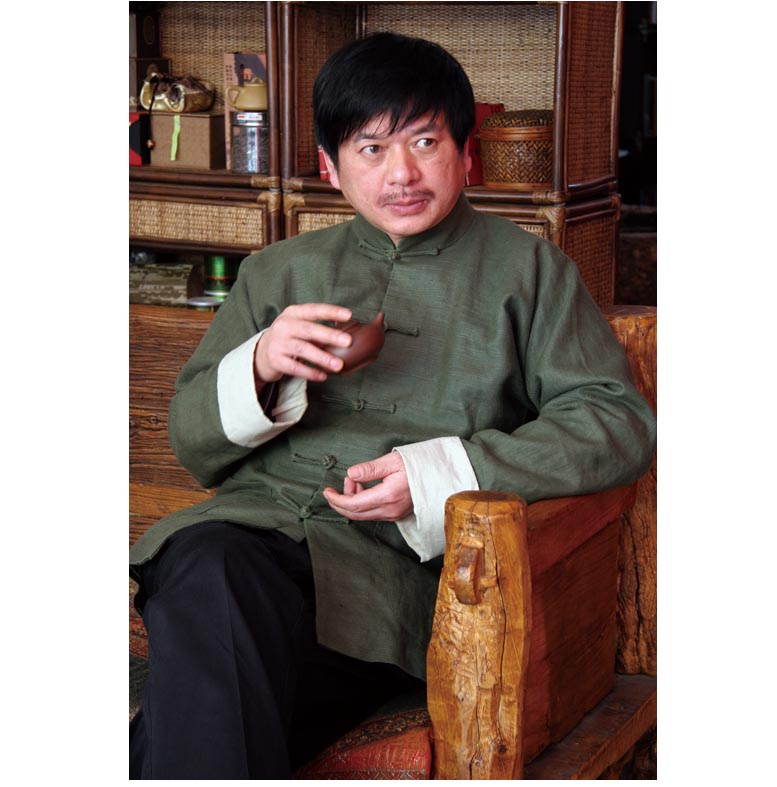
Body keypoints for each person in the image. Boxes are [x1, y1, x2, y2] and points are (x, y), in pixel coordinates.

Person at [129, 32, 656, 779]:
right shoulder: (278, 272)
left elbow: (615, 420)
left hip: (386, 586)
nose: (400, 173)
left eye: (424, 142)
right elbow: (192, 445)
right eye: (371, 149)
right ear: (329, 166)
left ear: (465, 153)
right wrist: (261, 365)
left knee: (199, 700)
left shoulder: (530, 271)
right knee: (210, 568)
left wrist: (441, 473)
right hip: (243, 548)